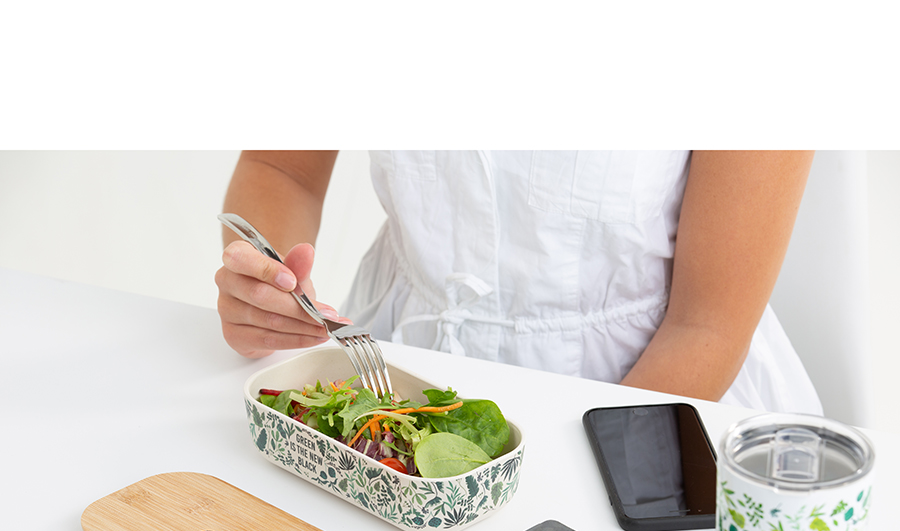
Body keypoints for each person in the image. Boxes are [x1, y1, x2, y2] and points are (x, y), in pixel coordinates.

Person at [215, 150, 822, 414]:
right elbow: (281, 168)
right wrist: (269, 290)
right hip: (392, 369)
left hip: (652, 400)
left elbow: (707, 328)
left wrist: (533, 478)